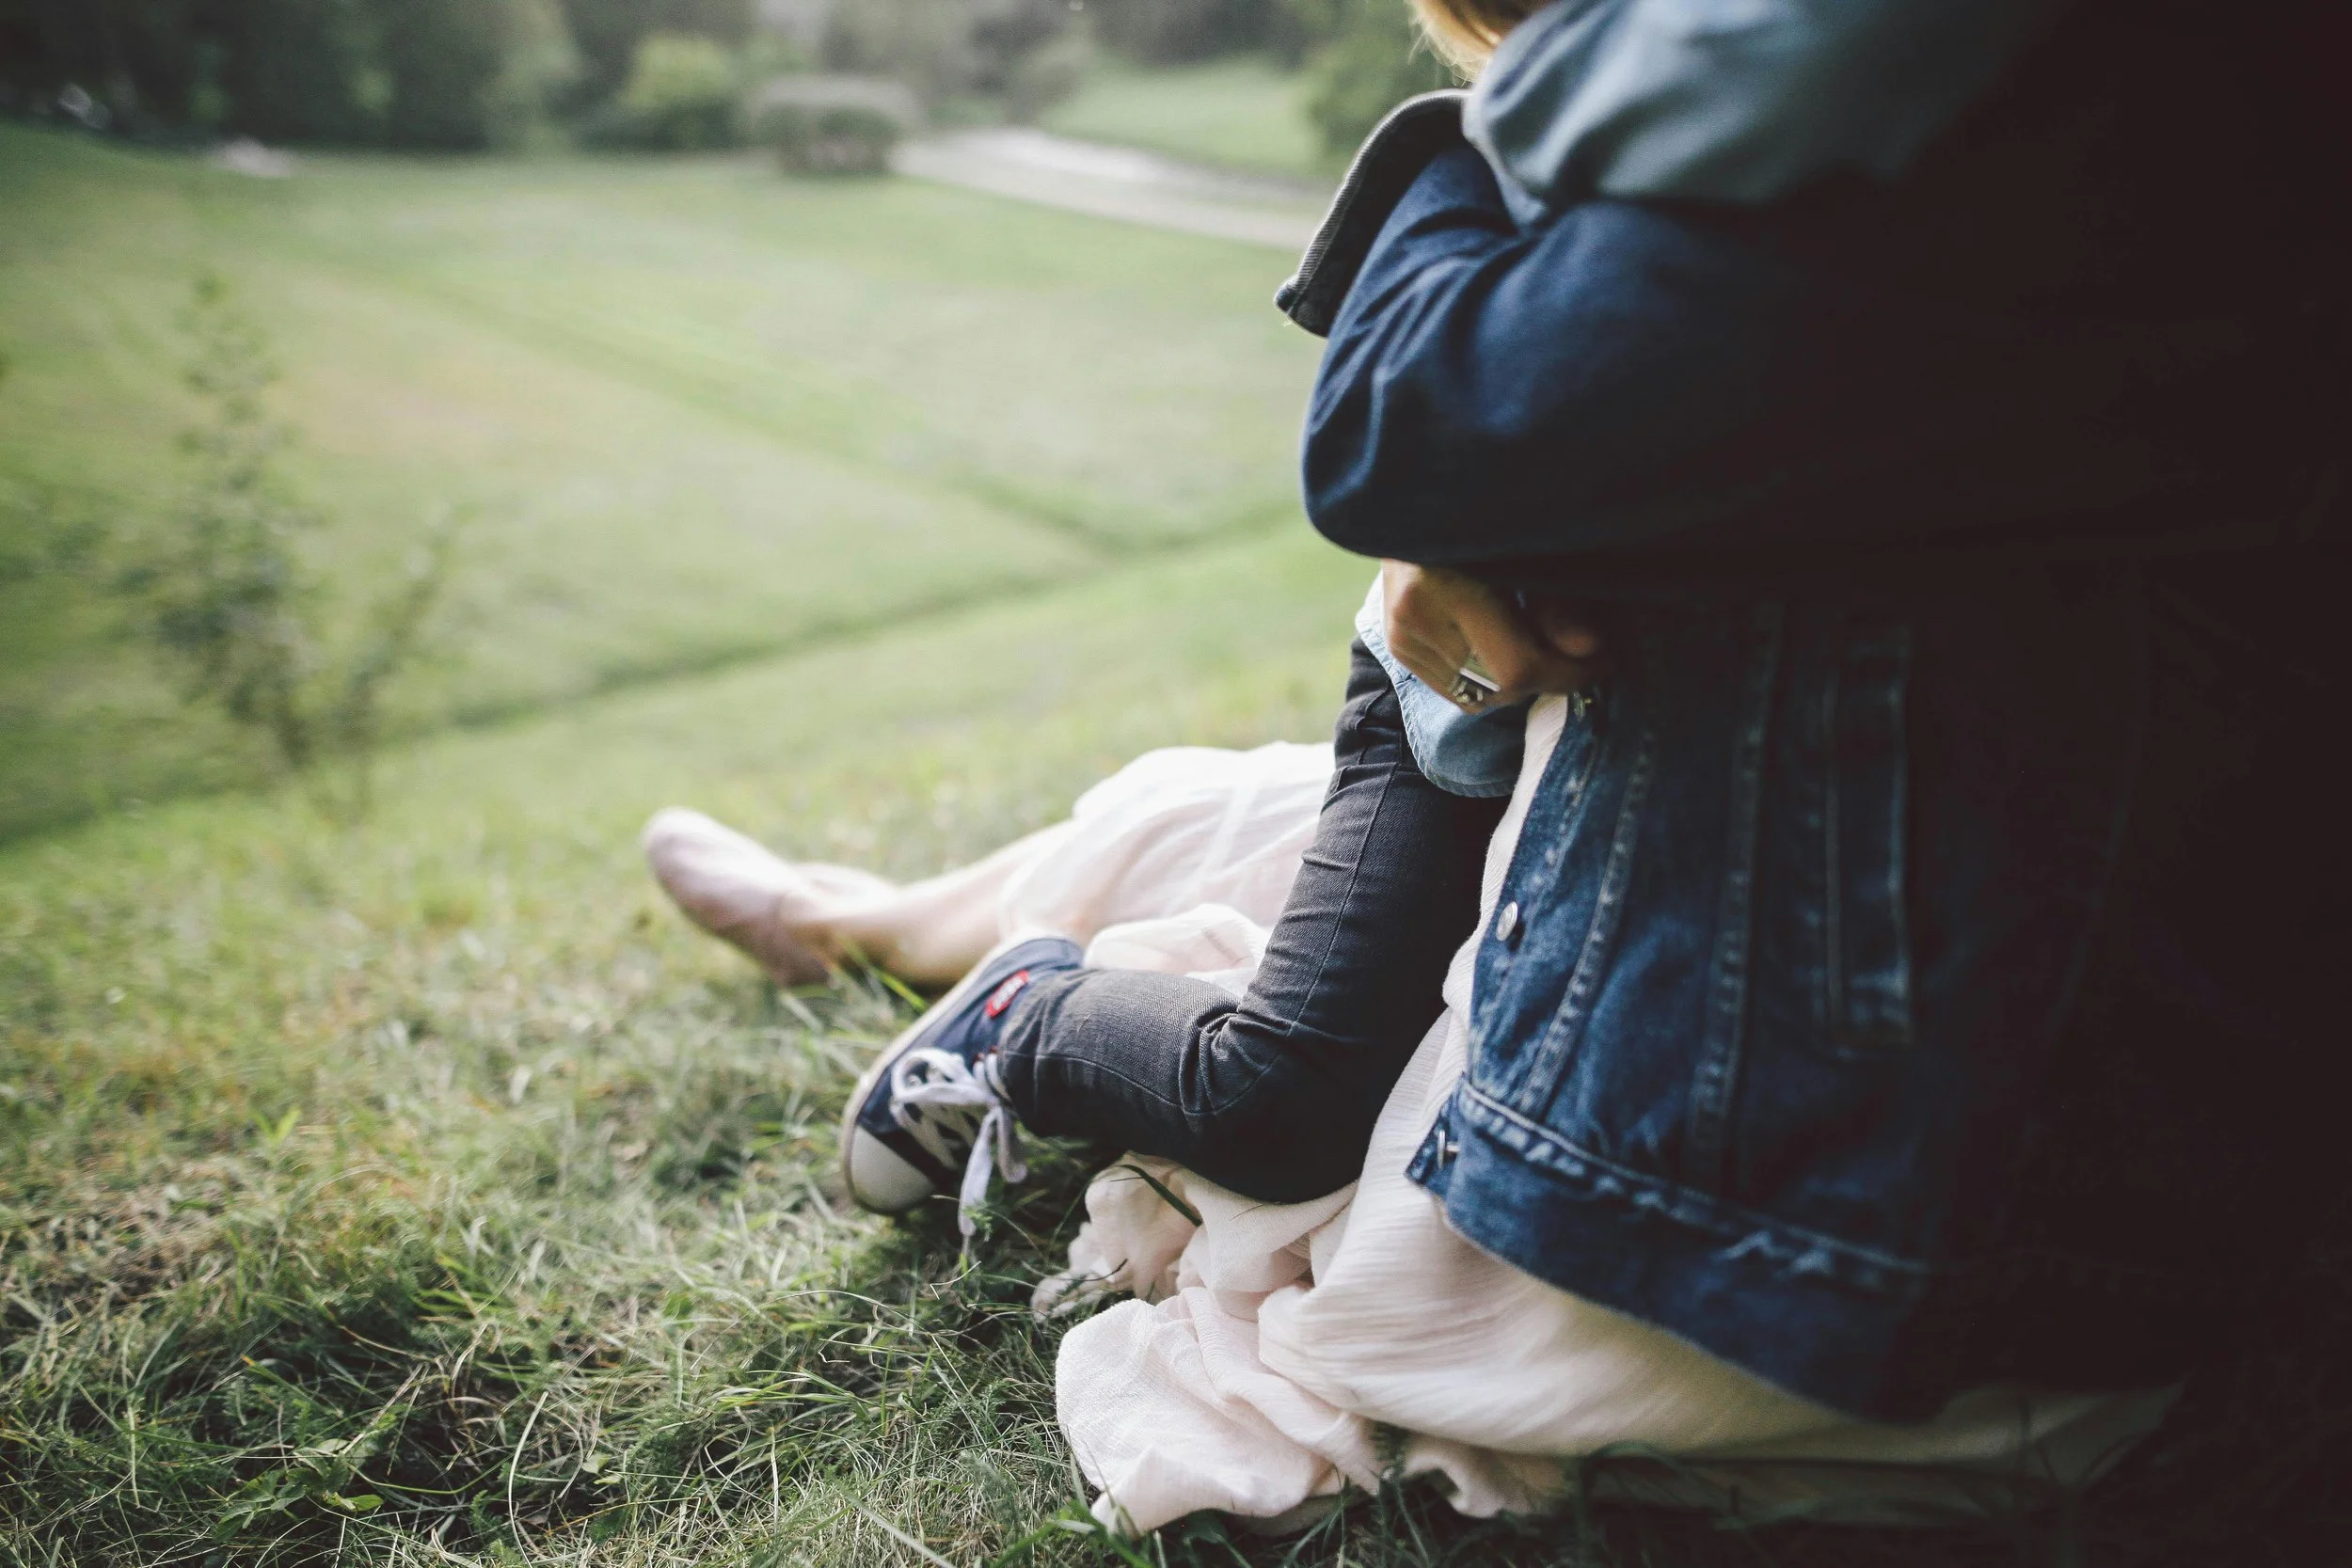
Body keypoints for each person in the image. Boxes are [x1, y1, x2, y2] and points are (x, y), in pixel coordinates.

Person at [648, 0, 2346, 1529]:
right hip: (1710, 828)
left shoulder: (1993, 132)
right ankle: (862, 917)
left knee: (1290, 1072)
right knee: (1249, 809)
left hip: (1917, 1113)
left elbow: (1403, 421)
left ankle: (1022, 1009)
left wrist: (1496, 212)